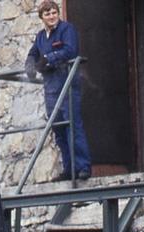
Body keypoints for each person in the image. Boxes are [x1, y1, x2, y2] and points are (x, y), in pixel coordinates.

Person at [25, 0, 92, 181]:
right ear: (42, 17)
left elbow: (70, 50)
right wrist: (30, 64)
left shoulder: (66, 29)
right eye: (47, 14)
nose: (52, 16)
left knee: (72, 125)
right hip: (51, 88)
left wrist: (48, 58)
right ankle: (69, 169)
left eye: (54, 12)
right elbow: (33, 53)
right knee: (58, 129)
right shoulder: (41, 37)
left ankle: (83, 167)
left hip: (67, 83)